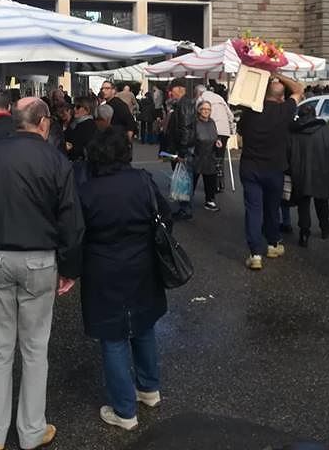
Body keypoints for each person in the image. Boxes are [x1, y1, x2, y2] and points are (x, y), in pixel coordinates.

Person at [0, 98, 84, 450]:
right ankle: (31, 431)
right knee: (34, 348)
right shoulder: (57, 161)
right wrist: (70, 268)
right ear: (43, 122)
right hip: (40, 261)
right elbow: (71, 222)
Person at [77, 127, 170, 430]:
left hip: (103, 269)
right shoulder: (142, 181)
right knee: (143, 326)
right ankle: (149, 389)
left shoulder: (88, 190)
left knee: (113, 337)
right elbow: (165, 215)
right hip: (143, 263)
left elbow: (75, 234)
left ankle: (124, 411)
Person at [236, 75, 304, 270]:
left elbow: (240, 130)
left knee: (253, 209)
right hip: (275, 167)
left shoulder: (250, 111)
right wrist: (278, 72)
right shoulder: (285, 110)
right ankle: (273, 244)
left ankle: (255, 253)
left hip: (250, 166)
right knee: (272, 207)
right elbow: (299, 89)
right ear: (282, 97)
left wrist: (263, 78)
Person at [282, 102, 329, 246]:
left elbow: (287, 151)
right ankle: (325, 227)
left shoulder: (293, 130)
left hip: (299, 170)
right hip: (321, 169)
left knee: (303, 203)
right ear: (314, 114)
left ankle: (304, 232)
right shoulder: (323, 128)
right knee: (322, 202)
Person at [162, 79, 197, 219]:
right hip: (179, 147)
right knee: (183, 176)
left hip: (183, 148)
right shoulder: (181, 104)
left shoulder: (185, 104)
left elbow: (186, 128)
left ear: (181, 89)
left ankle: (185, 208)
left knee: (184, 177)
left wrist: (182, 150)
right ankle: (184, 206)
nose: (171, 93)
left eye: (173, 89)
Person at [191, 101, 222, 212]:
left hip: (210, 154)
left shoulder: (212, 122)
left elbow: (215, 135)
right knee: (192, 179)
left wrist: (217, 141)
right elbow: (190, 138)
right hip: (197, 154)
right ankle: (186, 201)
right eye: (204, 109)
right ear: (199, 110)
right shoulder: (194, 123)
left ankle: (210, 200)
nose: (206, 111)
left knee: (210, 179)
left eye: (208, 109)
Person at [65, 95, 98, 161]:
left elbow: (85, 147)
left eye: (78, 107)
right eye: (74, 106)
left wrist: (70, 148)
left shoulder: (88, 125)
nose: (74, 109)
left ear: (87, 109)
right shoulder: (75, 122)